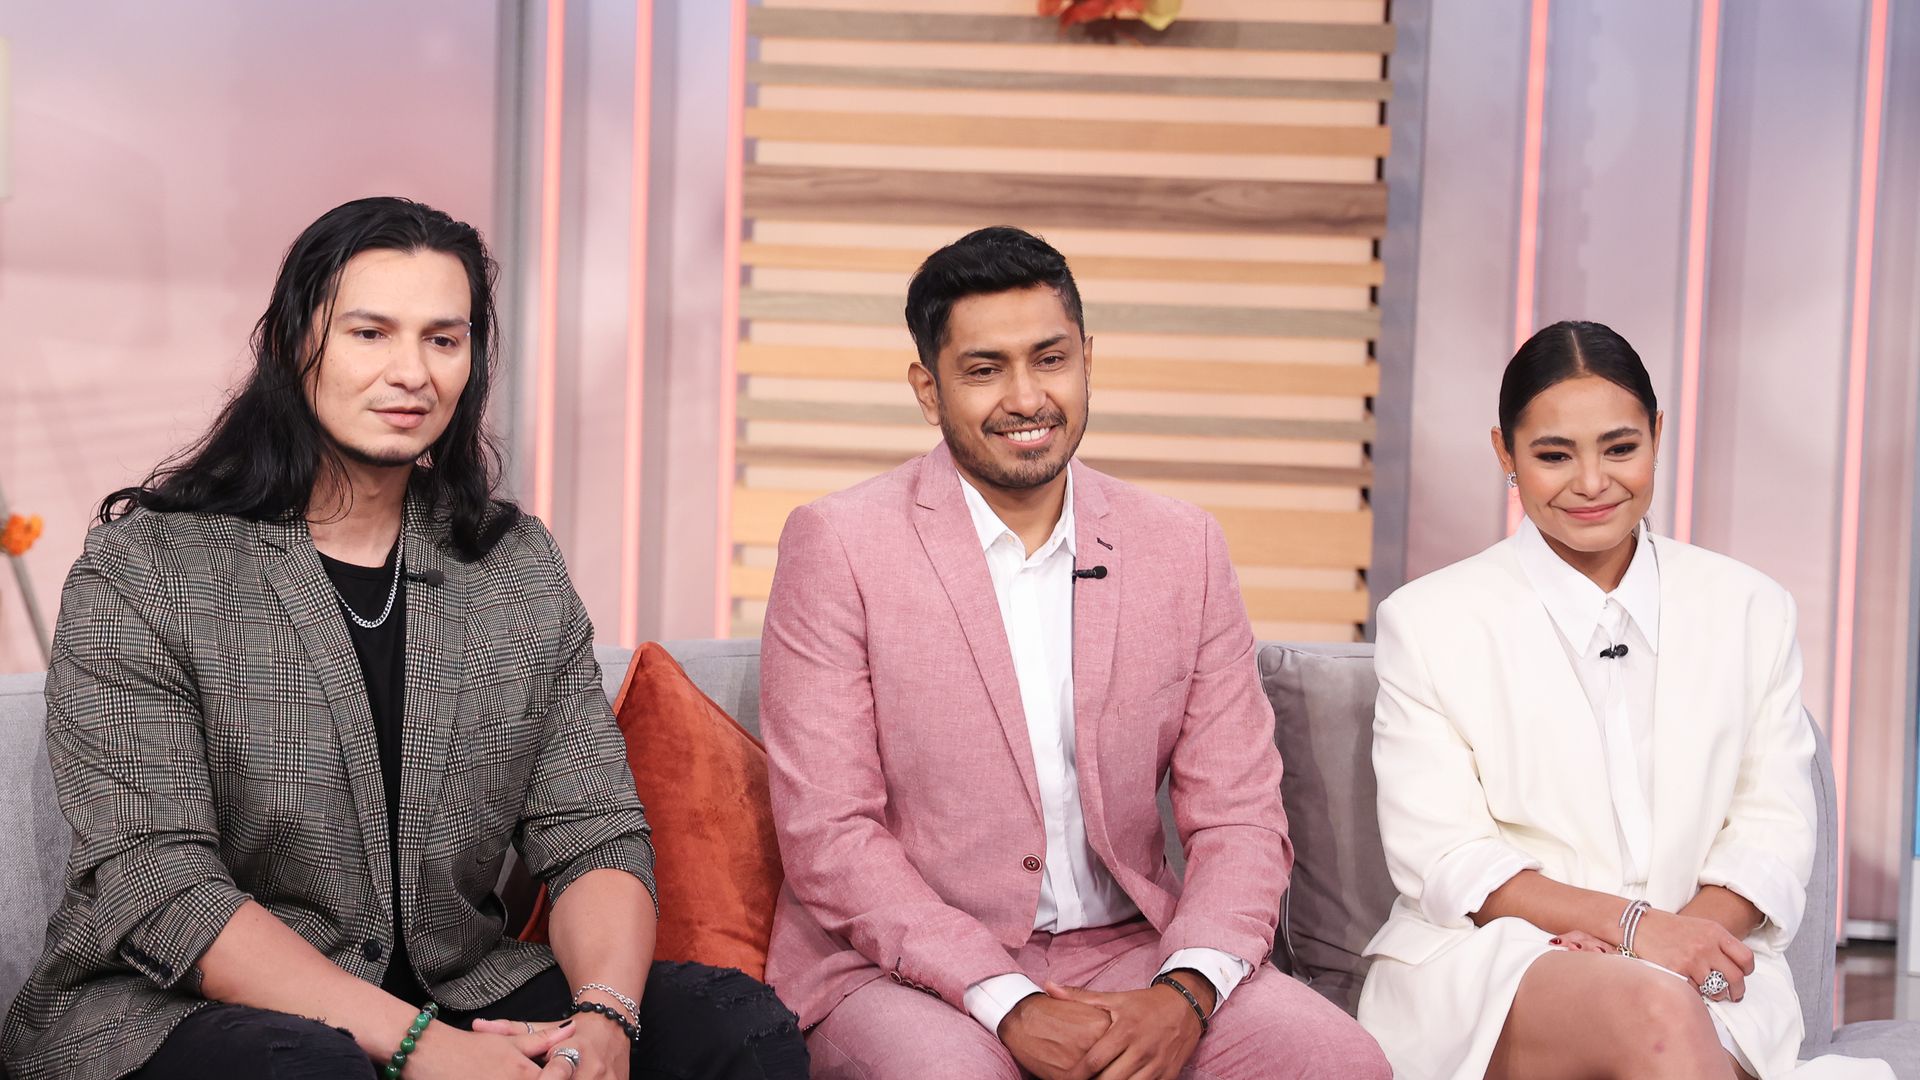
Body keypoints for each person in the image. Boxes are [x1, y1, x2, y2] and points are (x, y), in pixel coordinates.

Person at [0, 197, 807, 1080]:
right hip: (180, 1010)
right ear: (293, 344)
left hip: (460, 986)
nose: (411, 373)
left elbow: (594, 834)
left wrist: (601, 1018)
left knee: (734, 1027)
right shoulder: (148, 567)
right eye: (370, 333)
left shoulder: (511, 566)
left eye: (443, 339)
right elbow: (157, 882)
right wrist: (422, 1050)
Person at [758, 226, 1390, 1080]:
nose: (1026, 397)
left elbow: (1239, 815)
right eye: (985, 370)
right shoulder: (837, 545)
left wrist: (1187, 991)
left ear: (1088, 359)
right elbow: (829, 834)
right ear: (927, 387)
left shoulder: (1183, 548)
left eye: (1049, 359)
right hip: (899, 969)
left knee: (1336, 1063)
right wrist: (1004, 998)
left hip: (1133, 952)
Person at [1357, 320, 1891, 1080]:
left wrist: (1674, 943)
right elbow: (1445, 861)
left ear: (1658, 435)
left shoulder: (1749, 607)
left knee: (1660, 1007)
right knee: (1652, 1011)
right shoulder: (1431, 620)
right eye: (1552, 455)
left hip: (1709, 959)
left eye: (1619, 447)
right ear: (1504, 453)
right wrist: (1632, 933)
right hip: (1497, 963)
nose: (1592, 483)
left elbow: (1772, 833)